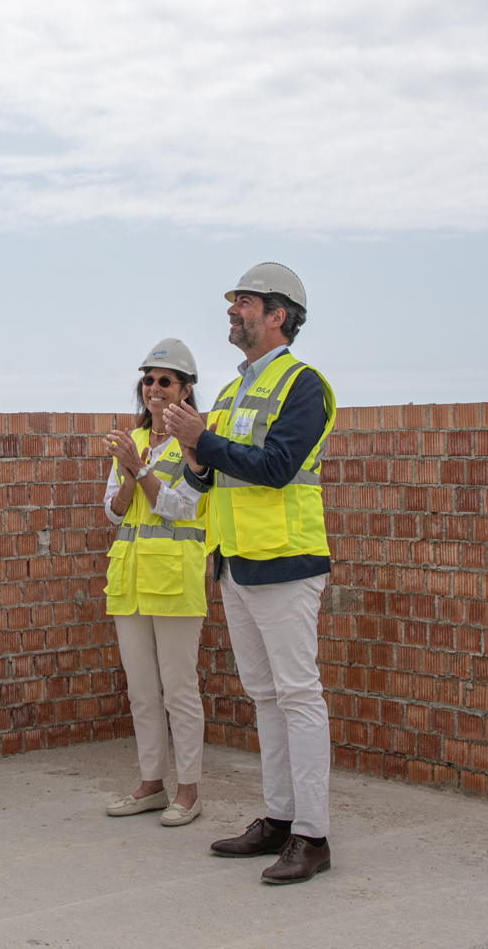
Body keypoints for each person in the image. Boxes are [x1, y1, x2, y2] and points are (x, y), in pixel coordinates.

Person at [162, 264, 337, 885]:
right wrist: (194, 452)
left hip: (286, 563)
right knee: (265, 696)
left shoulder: (304, 385)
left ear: (277, 316)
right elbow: (215, 474)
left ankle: (312, 835)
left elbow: (278, 466)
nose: (233, 311)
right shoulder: (234, 391)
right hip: (237, 564)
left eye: (245, 302)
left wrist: (202, 443)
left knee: (298, 695)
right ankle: (280, 820)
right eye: (233, 302)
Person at [98, 338, 212, 828]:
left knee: (179, 689)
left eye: (165, 381)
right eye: (148, 380)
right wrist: (129, 471)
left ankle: (188, 791)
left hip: (174, 580)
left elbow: (183, 505)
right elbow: (114, 509)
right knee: (142, 690)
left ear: (185, 390)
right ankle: (150, 784)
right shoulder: (133, 441)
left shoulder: (197, 443)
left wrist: (139, 468)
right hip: (130, 579)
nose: (154, 388)